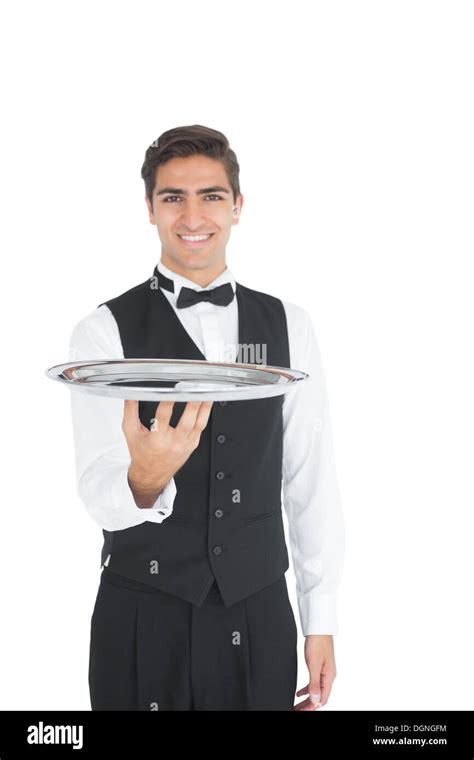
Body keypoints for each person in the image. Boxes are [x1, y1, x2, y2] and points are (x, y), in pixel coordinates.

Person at [68, 124, 345, 711]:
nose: (193, 216)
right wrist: (146, 478)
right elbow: (97, 488)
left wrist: (320, 619)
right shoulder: (102, 333)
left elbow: (309, 481)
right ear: (150, 208)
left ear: (238, 206)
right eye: (173, 197)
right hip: (141, 608)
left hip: (258, 606)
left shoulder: (290, 326)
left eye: (211, 196)